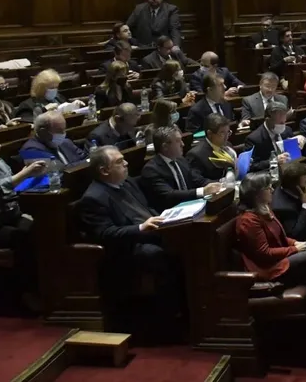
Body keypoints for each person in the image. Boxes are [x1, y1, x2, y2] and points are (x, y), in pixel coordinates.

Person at [76, 146, 180, 324]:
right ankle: (167, 318)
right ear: (104, 170)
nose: (126, 163)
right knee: (160, 254)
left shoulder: (128, 182)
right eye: (119, 162)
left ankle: (185, 309)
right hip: (125, 250)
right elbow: (106, 234)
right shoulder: (93, 199)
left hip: (152, 233)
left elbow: (146, 209)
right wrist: (141, 228)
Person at [234, 172, 306, 339]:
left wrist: (294, 243)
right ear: (256, 194)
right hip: (269, 268)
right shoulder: (248, 220)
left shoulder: (265, 209)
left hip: (282, 259)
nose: (271, 190)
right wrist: (295, 249)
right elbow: (264, 254)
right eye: (267, 187)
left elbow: (282, 238)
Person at [0, 126, 46, 304]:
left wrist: (38, 178)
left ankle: (46, 285)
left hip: (9, 217)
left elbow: (14, 187)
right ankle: (26, 292)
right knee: (22, 237)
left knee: (43, 228)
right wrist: (26, 172)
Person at [140, 125, 222, 211]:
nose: (183, 144)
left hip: (192, 207)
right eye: (178, 141)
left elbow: (196, 179)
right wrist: (202, 191)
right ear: (165, 146)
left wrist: (220, 184)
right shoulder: (151, 169)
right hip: (170, 213)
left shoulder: (180, 160)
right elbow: (169, 195)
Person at [246, 101, 301, 174]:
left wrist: (301, 140)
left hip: (290, 172)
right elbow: (251, 166)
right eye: (280, 123)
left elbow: (294, 154)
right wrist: (273, 161)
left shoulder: (287, 131)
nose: (283, 126)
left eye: (284, 122)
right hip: (269, 176)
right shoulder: (254, 139)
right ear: (267, 120)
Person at [13, 69, 84, 124]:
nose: (54, 90)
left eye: (56, 87)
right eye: (51, 88)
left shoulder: (59, 98)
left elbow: (67, 110)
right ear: (40, 88)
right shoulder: (27, 105)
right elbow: (28, 123)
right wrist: (44, 110)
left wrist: (75, 105)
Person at [18, 111, 87, 165]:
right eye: (59, 131)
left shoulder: (66, 142)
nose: (63, 134)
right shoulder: (31, 150)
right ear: (43, 132)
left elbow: (85, 158)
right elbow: (57, 172)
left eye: (64, 129)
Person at [186, 114, 238, 182]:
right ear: (210, 133)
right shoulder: (196, 154)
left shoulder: (228, 145)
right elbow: (197, 180)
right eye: (222, 133)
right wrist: (222, 182)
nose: (226, 137)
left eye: (228, 132)